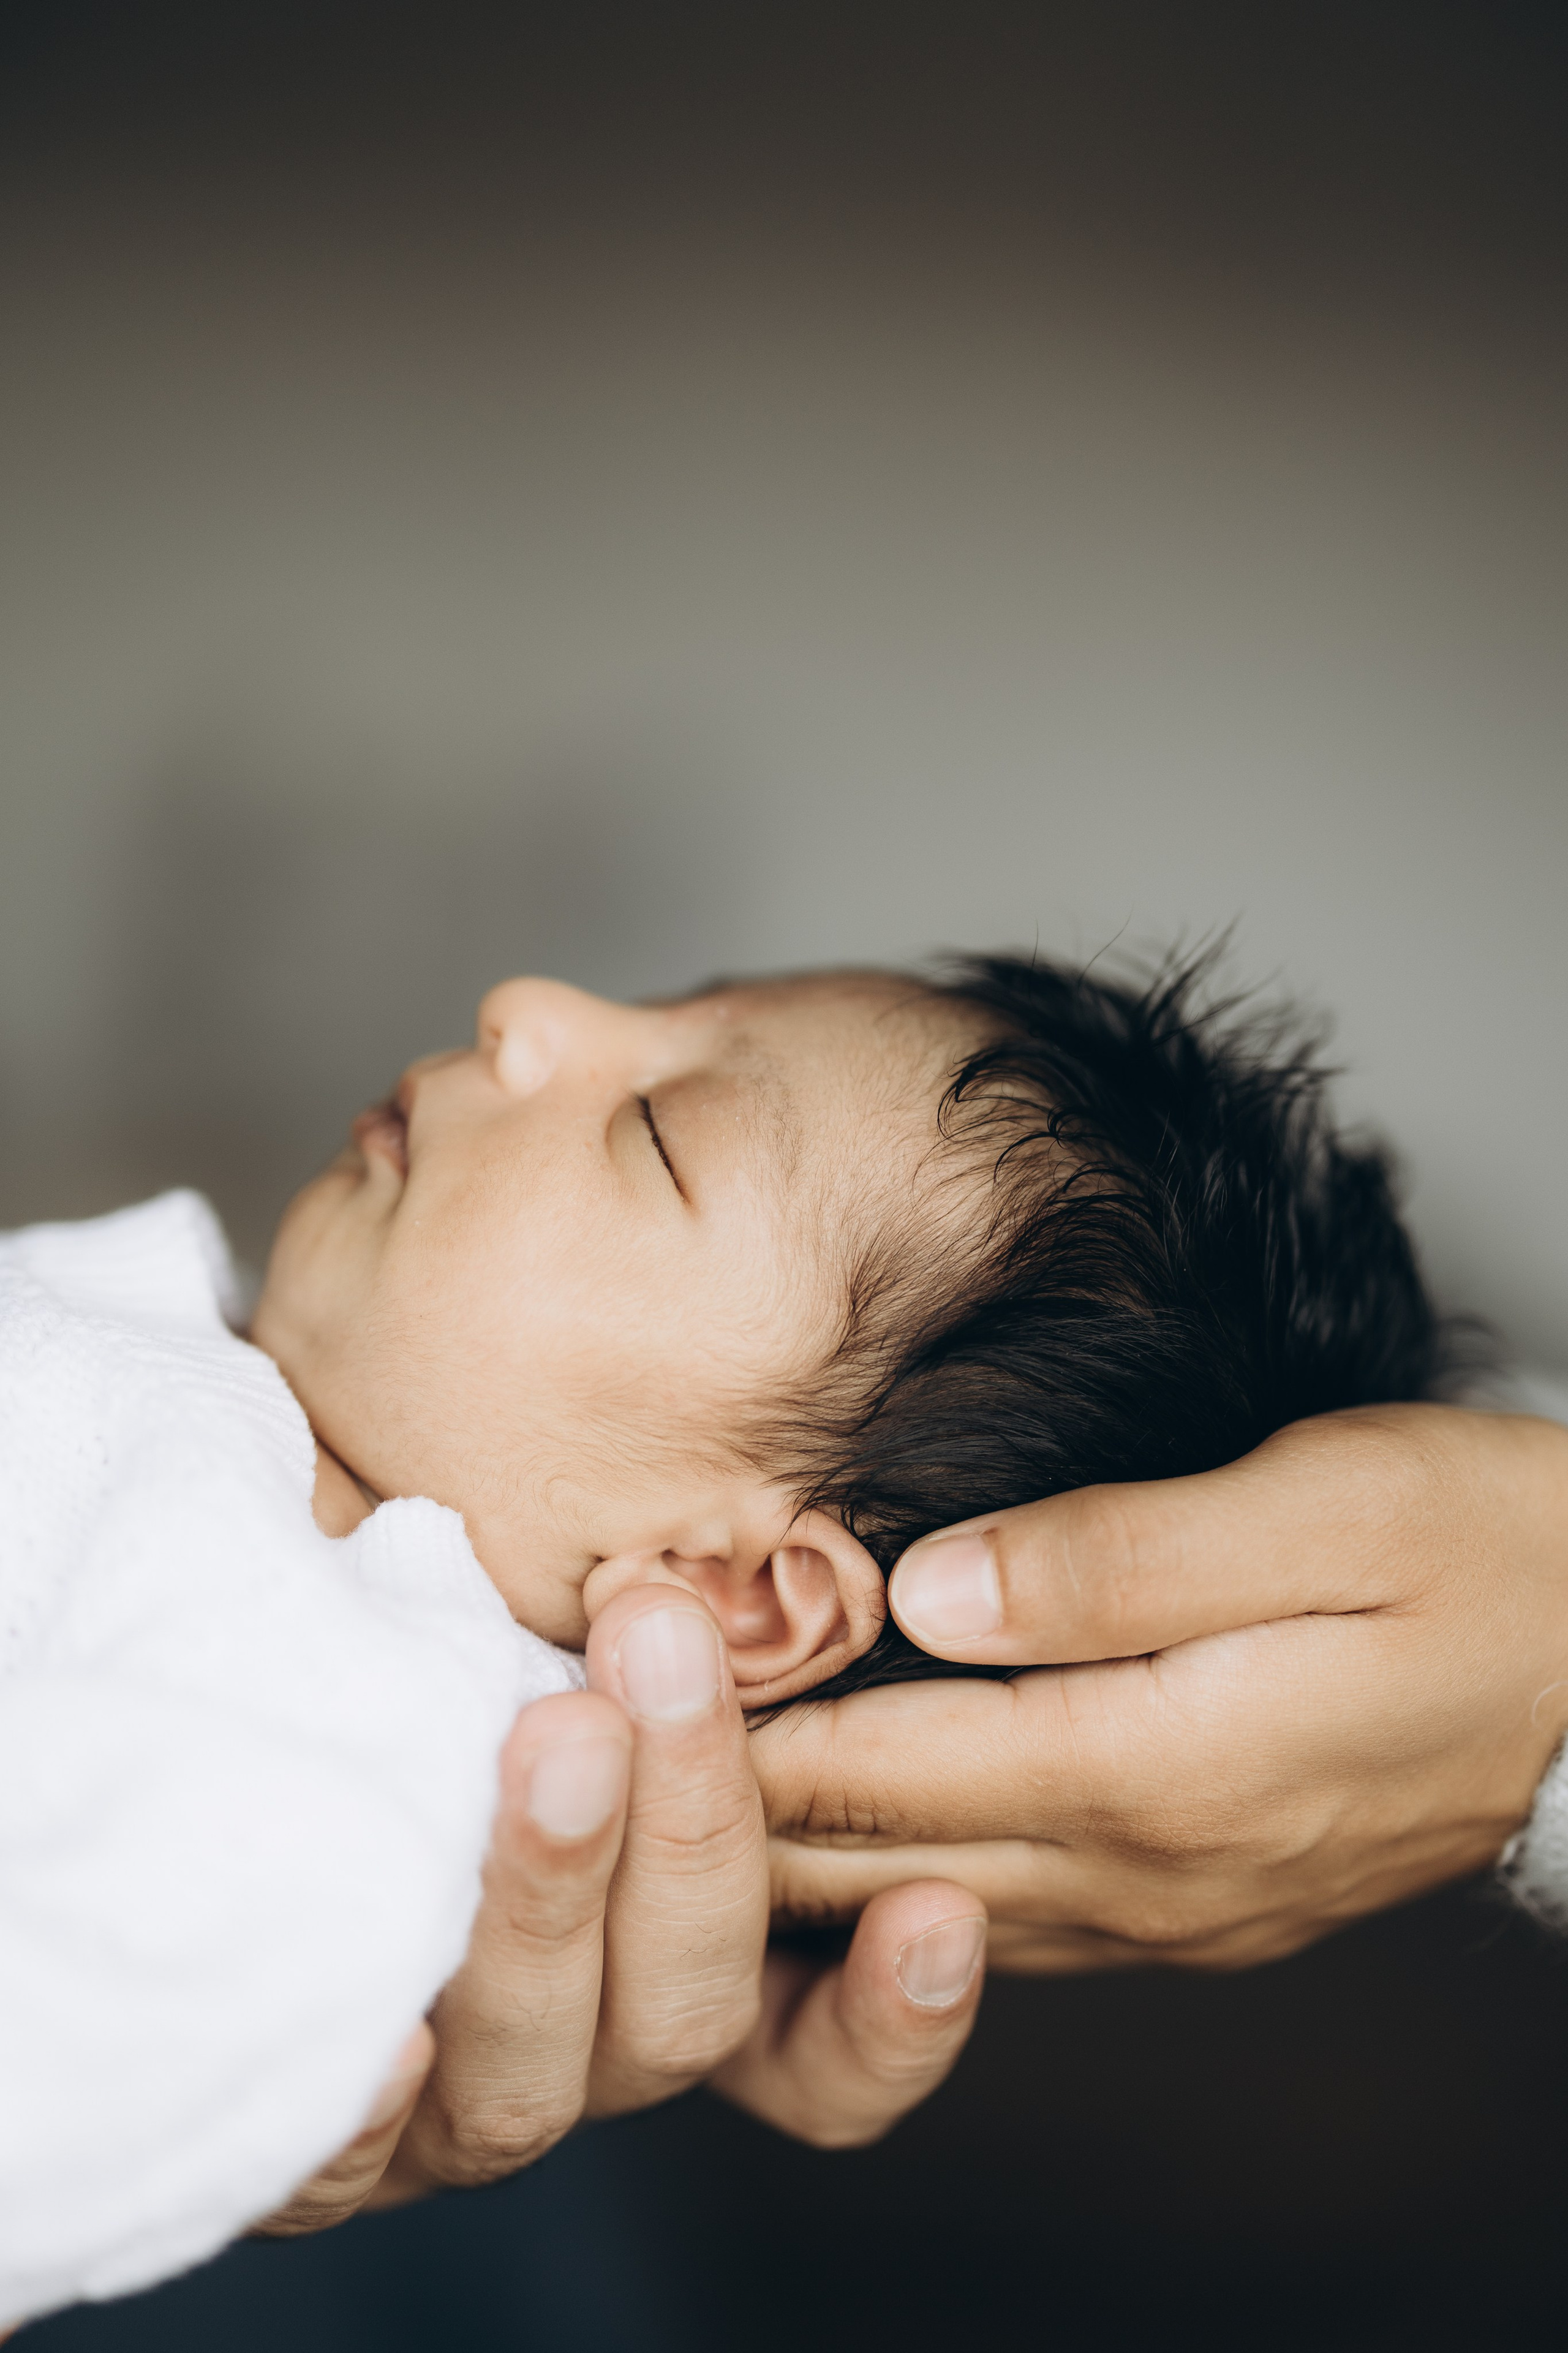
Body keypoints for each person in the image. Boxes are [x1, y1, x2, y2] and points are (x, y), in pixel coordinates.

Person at [4, 942, 1472, 2304]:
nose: (529, 1004)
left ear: (737, 1587)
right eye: (658, 1003)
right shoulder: (200, 1372)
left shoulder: (346, 1736)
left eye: (655, 1134)